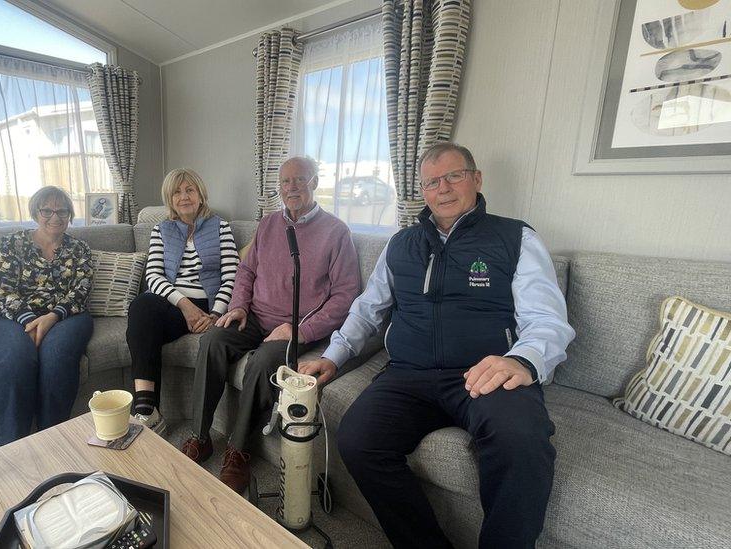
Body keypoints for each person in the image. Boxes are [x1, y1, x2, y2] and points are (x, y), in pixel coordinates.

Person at [299, 142, 576, 548]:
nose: (443, 188)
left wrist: (524, 360)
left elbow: (548, 319)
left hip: (485, 373)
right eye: (432, 181)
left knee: (522, 443)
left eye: (453, 176)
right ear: (422, 192)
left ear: (476, 179)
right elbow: (368, 310)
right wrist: (333, 356)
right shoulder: (401, 244)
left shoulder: (514, 237)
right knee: (358, 440)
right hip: (409, 375)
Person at [180, 156, 361, 493]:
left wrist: (300, 330)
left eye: (299, 180)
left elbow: (346, 295)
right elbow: (246, 272)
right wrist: (237, 307)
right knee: (212, 341)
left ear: (315, 182)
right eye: (285, 182)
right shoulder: (268, 225)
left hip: (297, 325)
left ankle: (238, 451)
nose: (291, 188)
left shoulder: (336, 232)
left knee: (263, 362)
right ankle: (200, 436)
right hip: (255, 316)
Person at [0, 186, 95, 446]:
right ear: (35, 212)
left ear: (70, 214)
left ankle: (50, 442)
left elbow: (80, 291)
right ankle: (10, 450)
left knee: (56, 358)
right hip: (10, 317)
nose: (55, 216)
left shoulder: (80, 249)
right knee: (13, 360)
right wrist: (30, 321)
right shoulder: (13, 243)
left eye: (62, 210)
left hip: (66, 317)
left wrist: (52, 317)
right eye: (47, 210)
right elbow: (3, 290)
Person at [126, 168, 239, 435]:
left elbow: (233, 276)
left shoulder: (220, 227)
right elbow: (153, 275)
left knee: (143, 323)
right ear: (169, 198)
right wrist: (184, 305)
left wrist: (215, 314)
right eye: (177, 191)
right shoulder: (161, 230)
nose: (184, 196)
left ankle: (146, 411)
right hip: (176, 307)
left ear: (200, 194)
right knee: (141, 306)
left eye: (189, 190)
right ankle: (147, 410)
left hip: (208, 307)